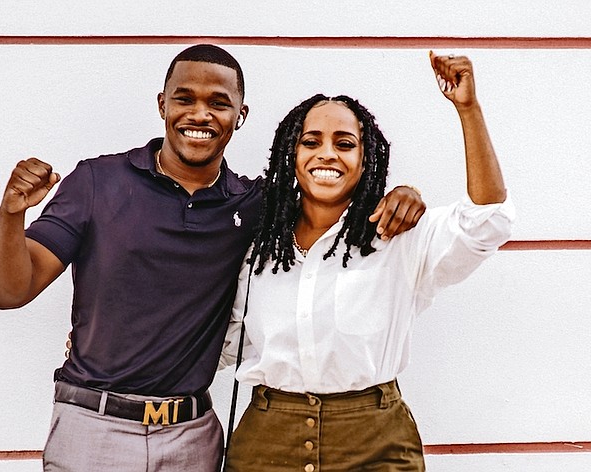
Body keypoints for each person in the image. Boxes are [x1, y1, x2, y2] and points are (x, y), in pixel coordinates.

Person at [0, 44, 425, 471]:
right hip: (94, 426)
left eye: (218, 103)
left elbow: (329, 195)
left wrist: (404, 195)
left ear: (240, 115)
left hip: (191, 435)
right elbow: (9, 291)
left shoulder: (259, 206)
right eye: (184, 99)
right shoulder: (98, 181)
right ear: (162, 105)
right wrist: (11, 214)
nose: (200, 114)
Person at [220, 51, 515, 471]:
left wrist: (468, 109)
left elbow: (488, 221)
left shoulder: (398, 236)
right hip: (267, 441)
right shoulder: (257, 242)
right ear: (291, 152)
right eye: (311, 142)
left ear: (366, 158)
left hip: (374, 441)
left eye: (344, 144)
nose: (327, 155)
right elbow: (223, 339)